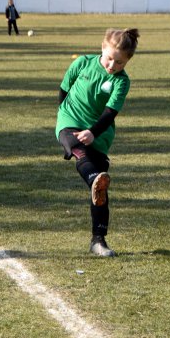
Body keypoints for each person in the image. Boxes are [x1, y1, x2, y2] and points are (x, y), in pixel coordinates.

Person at [56, 28, 139, 257]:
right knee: (77, 149)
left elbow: (110, 112)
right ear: (102, 47)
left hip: (99, 133)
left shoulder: (121, 82)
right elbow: (63, 90)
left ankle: (98, 241)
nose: (112, 66)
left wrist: (92, 132)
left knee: (101, 189)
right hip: (69, 120)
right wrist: (65, 116)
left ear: (128, 61)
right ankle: (93, 178)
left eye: (120, 63)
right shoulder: (82, 63)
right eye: (110, 58)